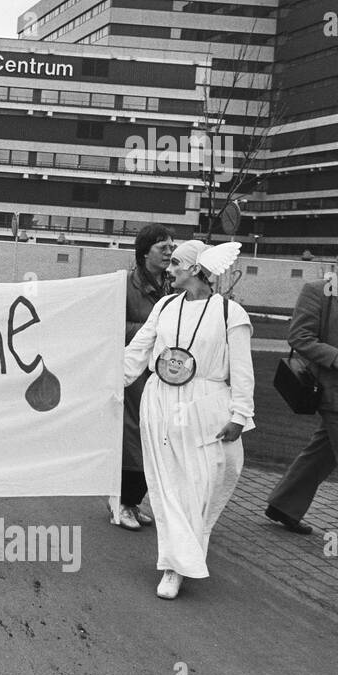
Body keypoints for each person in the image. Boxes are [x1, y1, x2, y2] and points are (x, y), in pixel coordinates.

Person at [123, 240, 252, 600]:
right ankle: (174, 566)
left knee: (197, 487)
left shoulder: (231, 313)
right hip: (161, 403)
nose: (169, 268)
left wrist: (240, 415)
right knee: (167, 489)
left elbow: (243, 372)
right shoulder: (165, 305)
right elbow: (138, 352)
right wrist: (105, 382)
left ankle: (184, 557)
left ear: (196, 269)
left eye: (177, 263)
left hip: (205, 407)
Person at [265, 234, 338, 572]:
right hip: (334, 393)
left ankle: (283, 506)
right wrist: (332, 355)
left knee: (322, 452)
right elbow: (299, 337)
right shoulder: (322, 290)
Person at [113, 224, 174, 531]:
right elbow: (110, 325)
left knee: (154, 436)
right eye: (162, 247)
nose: (169, 252)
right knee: (133, 436)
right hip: (132, 375)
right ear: (144, 251)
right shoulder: (125, 285)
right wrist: (149, 332)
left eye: (171, 247)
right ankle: (122, 502)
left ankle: (133, 502)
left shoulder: (174, 284)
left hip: (162, 373)